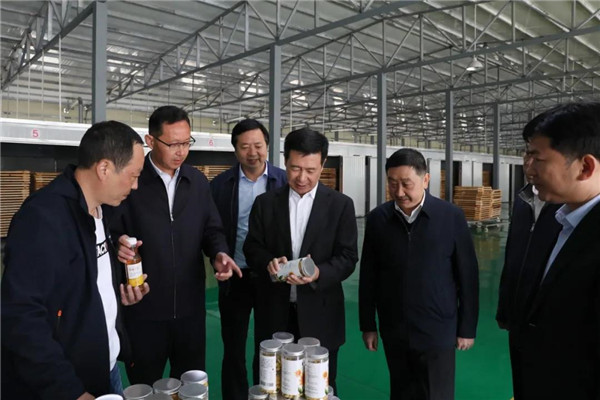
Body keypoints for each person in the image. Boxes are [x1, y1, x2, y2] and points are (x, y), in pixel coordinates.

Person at [2, 121, 150, 400]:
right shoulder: (44, 218)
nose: (136, 185)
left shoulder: (101, 212)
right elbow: (21, 317)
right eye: (133, 175)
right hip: (66, 383)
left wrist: (120, 295)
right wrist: (70, 391)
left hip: (104, 368)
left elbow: (85, 284)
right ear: (104, 169)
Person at [111, 106, 241, 385]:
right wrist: (116, 245)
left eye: (186, 143)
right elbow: (111, 232)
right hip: (144, 310)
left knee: (191, 385)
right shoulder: (131, 182)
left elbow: (212, 229)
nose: (181, 151)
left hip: (190, 311)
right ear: (150, 140)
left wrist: (219, 253)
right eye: (173, 144)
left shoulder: (197, 182)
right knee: (145, 386)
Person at [359, 148, 479, 400]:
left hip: (438, 329)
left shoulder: (450, 217)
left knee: (437, 394)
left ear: (425, 179)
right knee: (401, 392)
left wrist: (467, 327)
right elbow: (369, 275)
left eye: (406, 184)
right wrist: (368, 325)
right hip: (395, 328)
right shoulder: (379, 219)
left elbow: (467, 276)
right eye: (392, 183)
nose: (399, 192)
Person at [244, 127, 358, 392]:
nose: (302, 178)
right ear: (285, 162)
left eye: (311, 170)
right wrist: (268, 262)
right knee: (271, 385)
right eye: (295, 169)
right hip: (274, 312)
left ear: (323, 165)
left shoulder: (340, 205)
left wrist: (319, 273)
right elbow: (252, 247)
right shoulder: (265, 203)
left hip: (321, 314)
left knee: (317, 387)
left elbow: (348, 257)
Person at [509, 102, 600, 399]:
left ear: (585, 167)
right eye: (527, 155)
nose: (528, 167)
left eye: (537, 158)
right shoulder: (560, 217)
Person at [210, 119, 287, 400]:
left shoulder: (284, 181)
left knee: (268, 348)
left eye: (258, 145)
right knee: (233, 348)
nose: (252, 153)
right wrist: (218, 256)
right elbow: (212, 228)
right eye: (245, 147)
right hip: (236, 276)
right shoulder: (221, 185)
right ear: (235, 150)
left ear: (267, 146)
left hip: (272, 277)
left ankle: (264, 395)